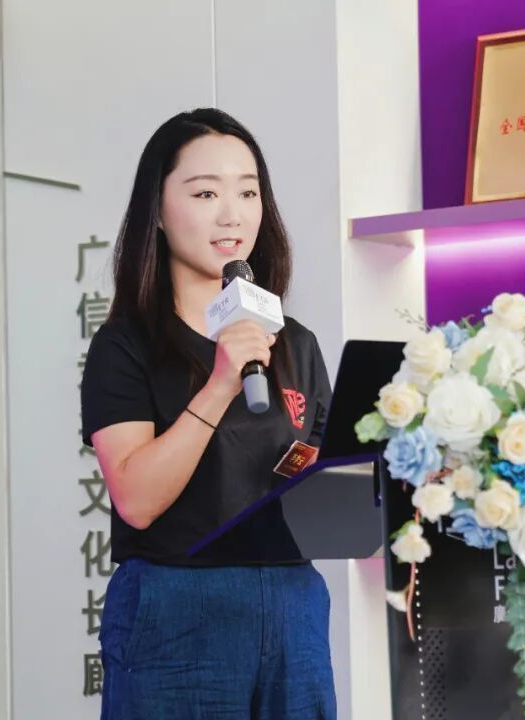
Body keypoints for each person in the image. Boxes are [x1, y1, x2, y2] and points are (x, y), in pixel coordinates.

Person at [80, 107, 336, 719]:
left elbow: (321, 476)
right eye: (205, 193)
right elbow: (136, 500)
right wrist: (221, 383)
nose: (232, 214)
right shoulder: (125, 345)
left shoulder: (295, 343)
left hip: (294, 603)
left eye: (248, 192)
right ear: (157, 211)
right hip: (176, 608)